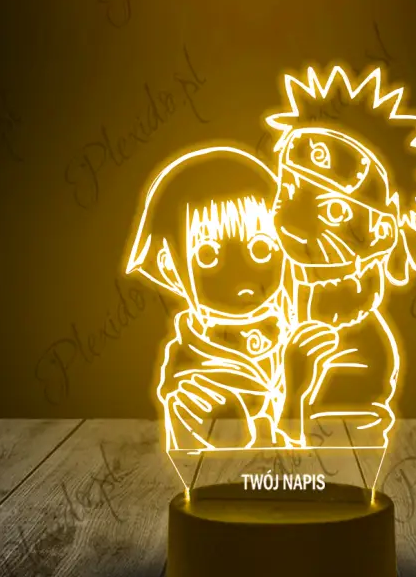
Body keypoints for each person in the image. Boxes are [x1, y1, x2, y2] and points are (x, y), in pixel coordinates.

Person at [265, 65, 416, 450]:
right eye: (290, 186)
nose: (292, 220)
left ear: (384, 232)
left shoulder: (363, 362)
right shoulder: (268, 281)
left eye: (334, 210)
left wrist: (293, 400)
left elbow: (343, 450)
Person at [124, 145, 340, 451]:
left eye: (262, 249)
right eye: (208, 256)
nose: (242, 273)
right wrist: (293, 398)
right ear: (169, 265)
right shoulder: (192, 376)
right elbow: (230, 463)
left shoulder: (288, 334)